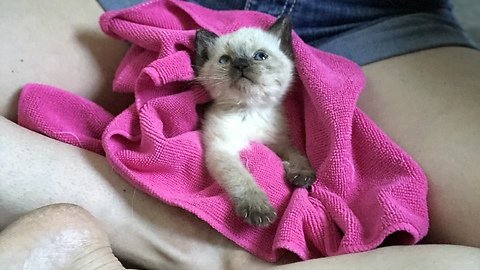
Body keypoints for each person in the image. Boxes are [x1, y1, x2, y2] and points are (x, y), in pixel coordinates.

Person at [1, 0, 479, 269]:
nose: (246, 68)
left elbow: (287, 144)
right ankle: (177, 239)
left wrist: (297, 162)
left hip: (366, 17)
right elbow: (228, 151)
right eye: (231, 63)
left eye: (259, 61)